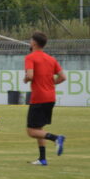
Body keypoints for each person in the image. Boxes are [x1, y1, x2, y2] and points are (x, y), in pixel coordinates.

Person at [24, 31, 66, 166]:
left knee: (31, 131)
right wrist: (50, 84)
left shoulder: (30, 57)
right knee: (39, 129)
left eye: (31, 40)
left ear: (34, 43)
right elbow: (63, 77)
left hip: (39, 98)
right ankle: (42, 159)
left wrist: (26, 79)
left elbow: (30, 75)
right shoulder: (51, 59)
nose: (30, 41)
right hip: (51, 97)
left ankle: (56, 138)